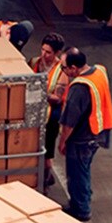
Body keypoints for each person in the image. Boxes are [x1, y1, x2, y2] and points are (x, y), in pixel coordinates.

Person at [58, 48, 112, 222]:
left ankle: (80, 209)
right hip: (99, 131)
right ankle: (83, 199)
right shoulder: (99, 71)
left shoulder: (80, 88)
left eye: (64, 68)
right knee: (84, 170)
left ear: (74, 68)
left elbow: (69, 122)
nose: (63, 72)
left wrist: (62, 142)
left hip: (82, 138)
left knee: (76, 175)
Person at [28, 32, 67, 190]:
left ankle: (46, 177)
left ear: (57, 53)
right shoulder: (34, 62)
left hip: (51, 115)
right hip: (33, 111)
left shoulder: (61, 71)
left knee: (46, 149)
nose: (44, 54)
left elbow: (57, 98)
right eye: (42, 50)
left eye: (48, 52)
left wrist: (38, 91)